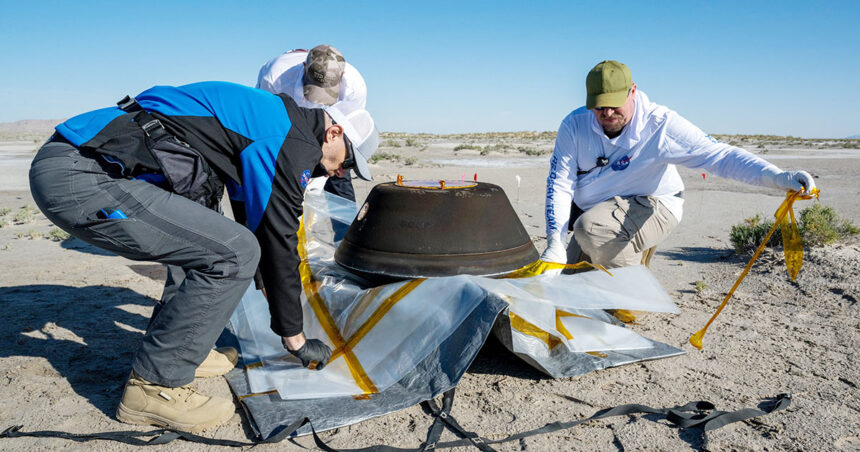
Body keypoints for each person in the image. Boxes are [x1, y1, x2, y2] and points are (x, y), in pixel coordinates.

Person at [29, 81, 379, 432]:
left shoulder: (276, 121)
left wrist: (273, 299)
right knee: (234, 252)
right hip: (83, 174)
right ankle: (154, 386)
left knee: (212, 238)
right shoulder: (292, 140)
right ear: (333, 132)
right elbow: (277, 238)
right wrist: (294, 338)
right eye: (347, 161)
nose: (341, 173)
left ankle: (179, 348)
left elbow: (256, 222)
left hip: (83, 162)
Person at [542, 60, 816, 269]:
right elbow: (560, 183)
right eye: (600, 107)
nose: (607, 113)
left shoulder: (661, 125)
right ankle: (625, 255)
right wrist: (555, 242)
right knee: (570, 281)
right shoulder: (574, 125)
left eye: (615, 104)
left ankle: (635, 299)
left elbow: (721, 156)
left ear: (633, 91)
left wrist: (777, 177)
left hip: (654, 203)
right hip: (601, 210)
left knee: (590, 230)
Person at [257, 45, 367, 210]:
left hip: (330, 134)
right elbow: (268, 126)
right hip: (287, 128)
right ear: (304, 67)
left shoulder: (355, 86)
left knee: (340, 179)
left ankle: (345, 234)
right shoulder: (275, 77)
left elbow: (350, 132)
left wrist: (337, 161)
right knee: (281, 184)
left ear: (342, 75)